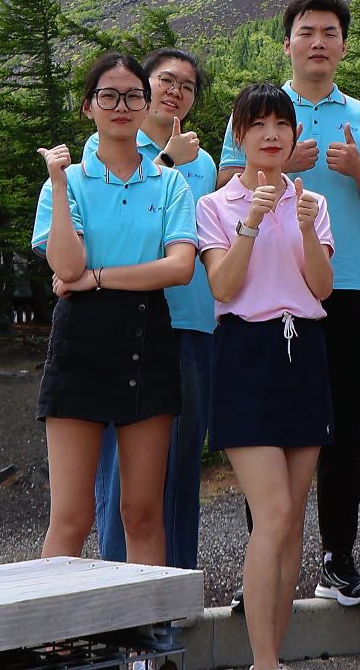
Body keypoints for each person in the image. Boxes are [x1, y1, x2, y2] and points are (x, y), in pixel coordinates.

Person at [217, 0, 360, 605]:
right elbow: (222, 183)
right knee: (265, 437)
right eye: (305, 31)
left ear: (343, 46)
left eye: (328, 32)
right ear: (288, 42)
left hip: (341, 286)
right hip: (265, 297)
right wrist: (282, 163)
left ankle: (337, 559)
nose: (317, 41)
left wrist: (358, 172)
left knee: (340, 432)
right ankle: (262, 570)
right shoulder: (261, 108)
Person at [33, 53, 198, 567]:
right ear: (89, 107)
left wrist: (97, 279)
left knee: (142, 512)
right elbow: (64, 262)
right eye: (109, 96)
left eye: (132, 96)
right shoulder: (68, 183)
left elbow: (180, 268)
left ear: (146, 105)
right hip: (79, 344)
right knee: (71, 518)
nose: (121, 106)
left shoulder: (170, 183)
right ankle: (51, 642)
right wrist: (59, 183)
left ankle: (145, 648)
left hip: (147, 340)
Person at [198, 83, 336, 670]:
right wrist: (253, 217)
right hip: (246, 353)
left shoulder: (313, 201)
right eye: (259, 126)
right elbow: (223, 287)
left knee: (292, 519)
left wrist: (304, 227)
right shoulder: (216, 206)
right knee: (273, 513)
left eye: (282, 124)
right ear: (240, 135)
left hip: (303, 350)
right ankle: (262, 661)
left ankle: (273, 654)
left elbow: (323, 288)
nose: (273, 135)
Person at [88, 48, 217, 583]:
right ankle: (117, 583)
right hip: (127, 323)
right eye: (166, 80)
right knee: (122, 466)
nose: (175, 92)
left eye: (187, 86)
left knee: (184, 459)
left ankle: (176, 585)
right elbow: (122, 231)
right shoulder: (110, 147)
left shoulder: (205, 161)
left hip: (192, 320)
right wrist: (166, 161)